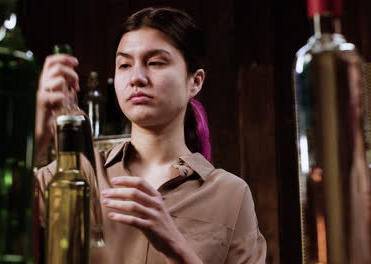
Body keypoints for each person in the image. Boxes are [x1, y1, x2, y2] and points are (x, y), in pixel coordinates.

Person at [35, 7, 267, 264]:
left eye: (155, 62)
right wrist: (37, 136)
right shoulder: (76, 173)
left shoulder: (231, 195)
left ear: (196, 81)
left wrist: (178, 247)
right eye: (124, 65)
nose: (136, 77)